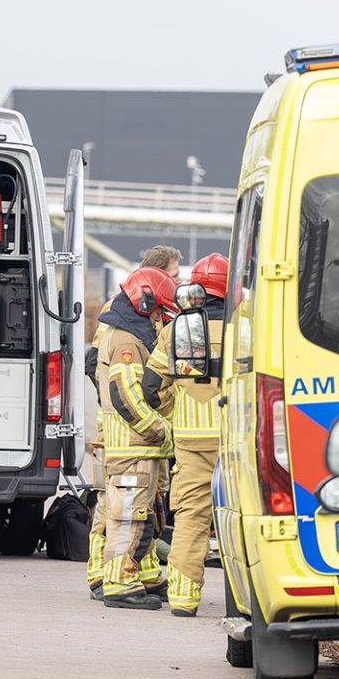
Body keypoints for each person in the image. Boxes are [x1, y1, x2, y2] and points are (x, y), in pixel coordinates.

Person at [91, 265, 178, 608]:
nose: (160, 318)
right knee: (129, 517)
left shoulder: (129, 331)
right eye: (158, 311)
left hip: (136, 448)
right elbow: (126, 396)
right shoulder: (128, 340)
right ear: (144, 303)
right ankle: (121, 584)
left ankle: (135, 576)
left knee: (141, 514)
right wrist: (161, 431)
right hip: (135, 445)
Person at [154, 253, 228, 617]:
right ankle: (245, 602)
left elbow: (152, 386)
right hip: (237, 441)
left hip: (190, 441)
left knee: (190, 518)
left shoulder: (175, 330)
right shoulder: (247, 328)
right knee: (241, 519)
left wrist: (174, 407)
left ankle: (183, 598)